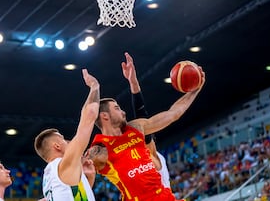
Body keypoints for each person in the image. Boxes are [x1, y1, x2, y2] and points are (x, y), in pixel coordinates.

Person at [87, 53, 205, 201]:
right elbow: (76, 174)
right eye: (117, 108)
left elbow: (173, 114)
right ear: (105, 116)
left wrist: (196, 90)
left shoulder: (136, 128)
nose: (123, 112)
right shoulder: (100, 150)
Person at [34, 69, 99, 201]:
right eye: (63, 139)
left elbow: (73, 197)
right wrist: (95, 86)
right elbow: (89, 116)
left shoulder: (49, 177)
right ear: (57, 146)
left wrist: (89, 178)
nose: (68, 141)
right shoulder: (60, 165)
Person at [121, 52, 171, 188]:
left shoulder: (150, 155)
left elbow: (142, 116)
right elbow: (142, 116)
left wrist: (133, 83)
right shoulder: (142, 156)